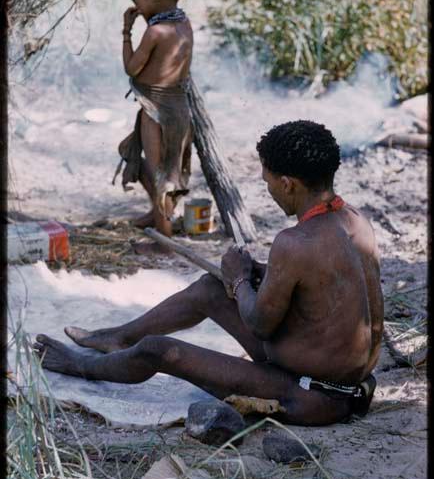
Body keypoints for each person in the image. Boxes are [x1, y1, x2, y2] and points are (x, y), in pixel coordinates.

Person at [34, 120, 384, 426]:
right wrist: (256, 275)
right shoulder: (356, 221)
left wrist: (238, 278)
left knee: (158, 350)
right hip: (342, 383)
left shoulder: (295, 242)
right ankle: (119, 338)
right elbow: (320, 290)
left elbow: (259, 324)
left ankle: (79, 365)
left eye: (269, 183)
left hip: (311, 396)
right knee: (207, 289)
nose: (270, 190)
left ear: (289, 184)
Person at [114, 0, 193, 244]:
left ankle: (165, 240)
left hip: (156, 111)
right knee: (142, 157)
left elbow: (132, 68)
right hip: (179, 109)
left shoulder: (155, 32)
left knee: (161, 175)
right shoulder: (182, 23)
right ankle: (156, 214)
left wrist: (126, 31)